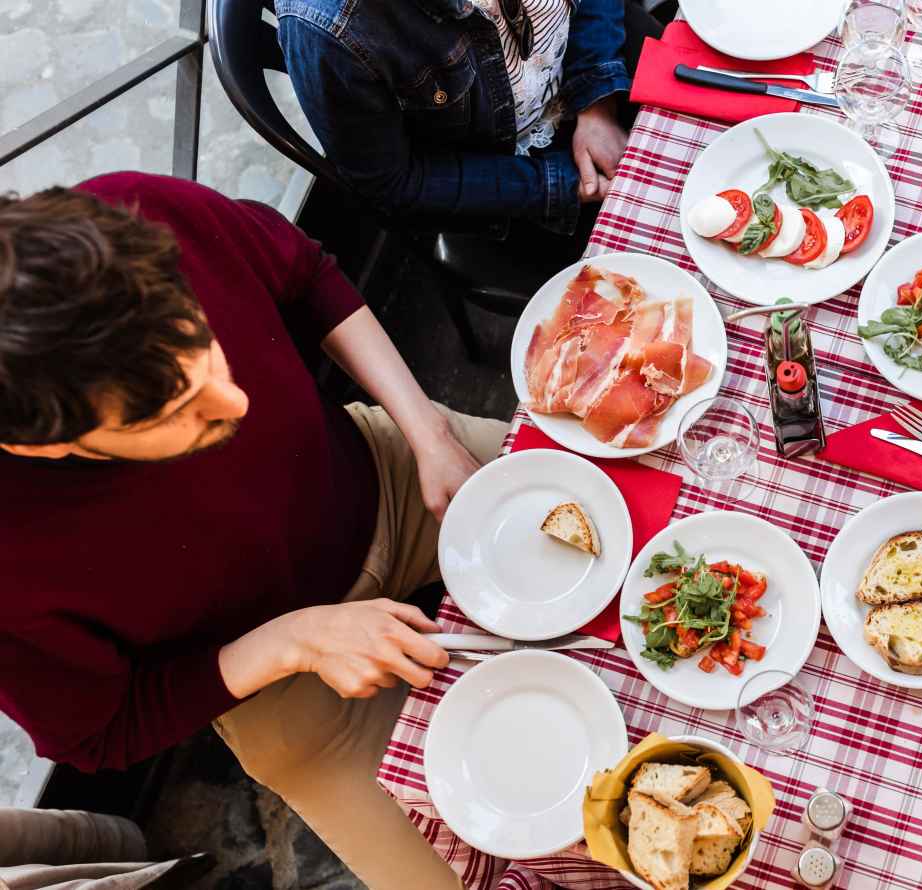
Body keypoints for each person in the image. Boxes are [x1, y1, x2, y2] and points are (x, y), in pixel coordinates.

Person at [0, 172, 511, 890]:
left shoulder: (142, 211)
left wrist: (425, 430)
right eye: (177, 413)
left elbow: (304, 270)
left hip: (389, 477)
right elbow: (102, 730)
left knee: (662, 514)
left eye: (202, 343)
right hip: (273, 683)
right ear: (45, 447)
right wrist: (294, 641)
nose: (234, 399)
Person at [274, 0, 652, 229]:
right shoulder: (325, 29)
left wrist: (597, 100)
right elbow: (392, 184)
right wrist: (557, 185)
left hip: (596, 45)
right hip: (507, 172)